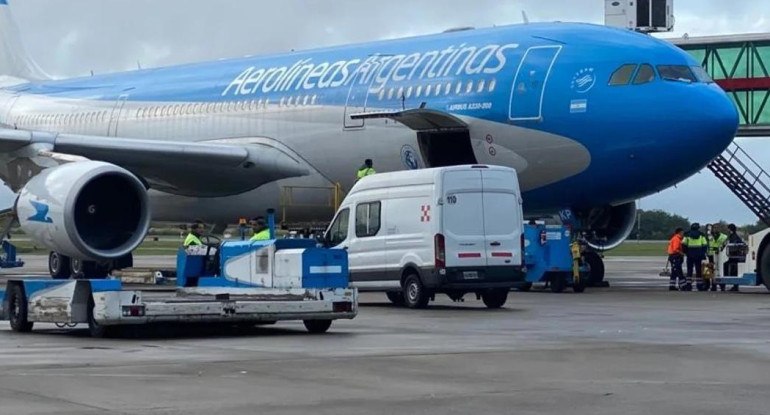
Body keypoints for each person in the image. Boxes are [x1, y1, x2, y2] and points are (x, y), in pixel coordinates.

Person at [682, 222, 708, 291]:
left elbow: (683, 244)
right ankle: (699, 285)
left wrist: (686, 252)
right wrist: (702, 253)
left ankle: (688, 285)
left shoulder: (687, 235)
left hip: (690, 255)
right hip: (698, 255)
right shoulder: (702, 235)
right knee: (698, 270)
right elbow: (705, 245)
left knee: (689, 270)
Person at [707, 224, 728, 291]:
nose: (716, 229)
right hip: (711, 255)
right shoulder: (709, 236)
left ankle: (722, 285)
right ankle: (713, 285)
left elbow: (726, 244)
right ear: (712, 229)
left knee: (720, 271)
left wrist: (721, 249)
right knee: (712, 271)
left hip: (720, 256)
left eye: (717, 228)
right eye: (715, 228)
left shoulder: (723, 236)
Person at [725, 223, 744, 292]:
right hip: (734, 256)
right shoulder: (734, 236)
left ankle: (734, 285)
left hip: (734, 257)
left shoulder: (733, 237)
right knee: (733, 270)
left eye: (728, 229)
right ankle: (735, 286)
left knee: (733, 271)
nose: (727, 230)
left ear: (730, 229)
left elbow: (735, 246)